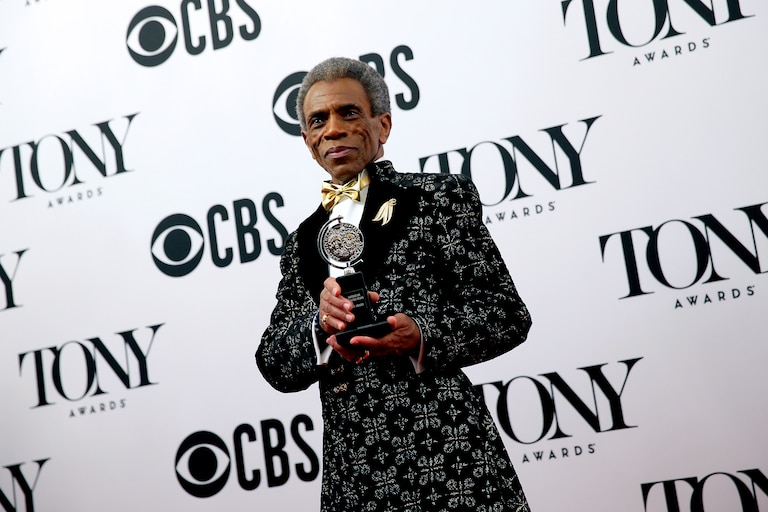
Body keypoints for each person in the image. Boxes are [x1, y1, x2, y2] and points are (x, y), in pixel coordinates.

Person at [257, 56, 533, 511]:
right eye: (318, 120)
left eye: (349, 113)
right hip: (356, 478)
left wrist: (420, 334)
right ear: (308, 141)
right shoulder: (301, 242)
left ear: (382, 125)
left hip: (449, 457)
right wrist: (319, 326)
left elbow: (506, 313)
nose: (334, 129)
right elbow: (273, 362)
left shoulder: (439, 199)